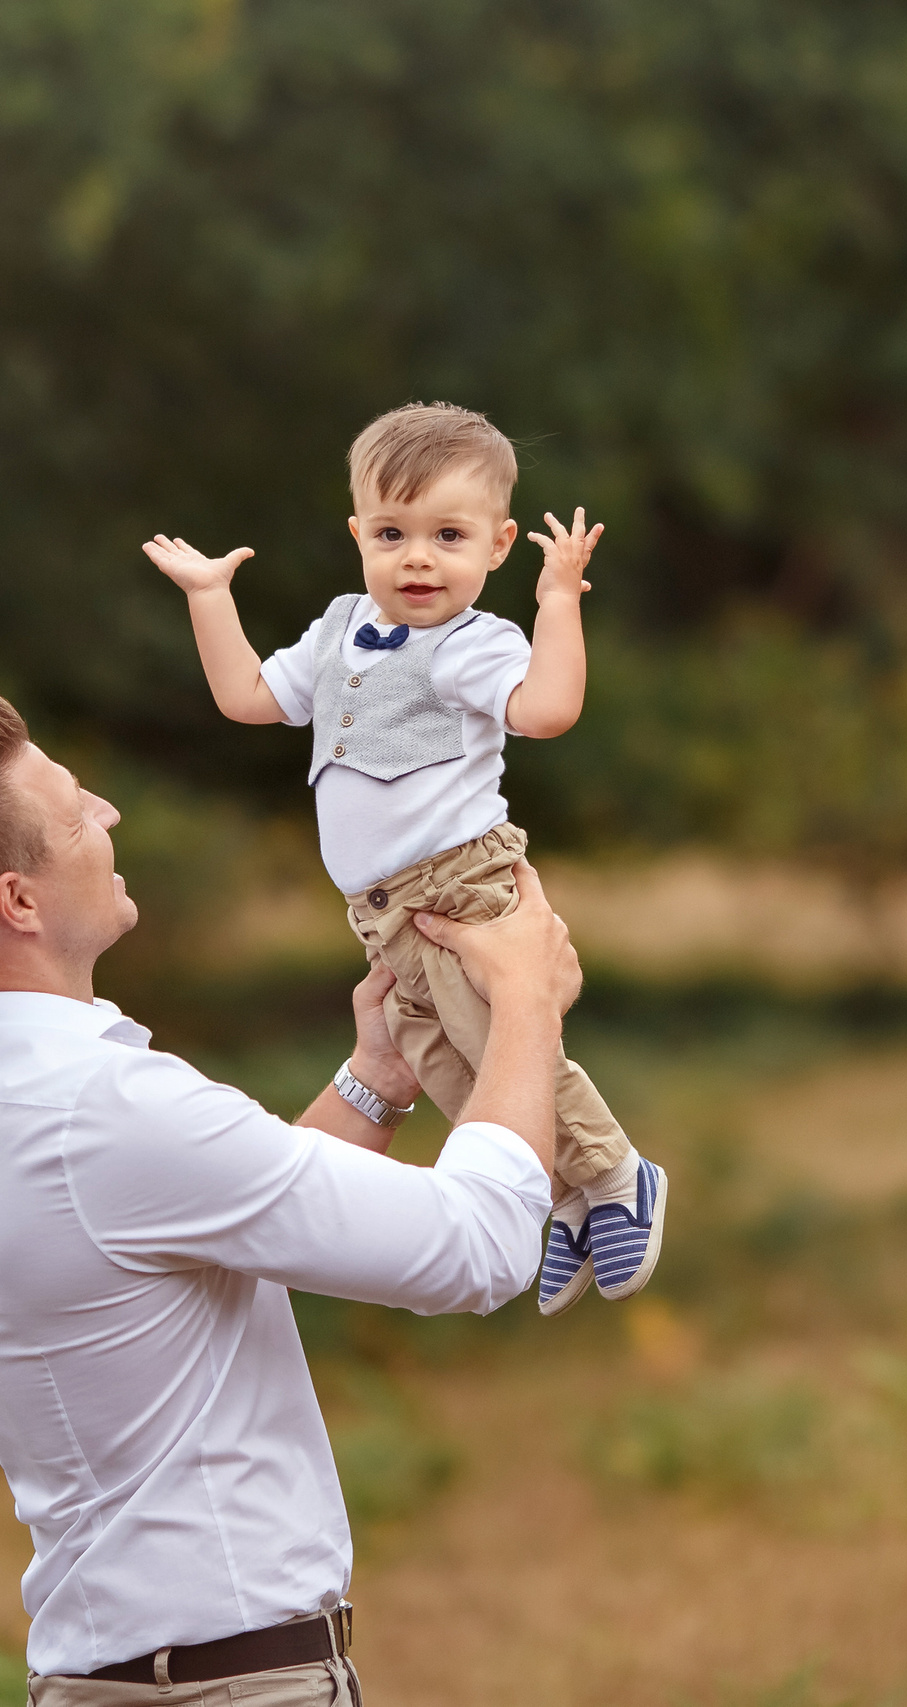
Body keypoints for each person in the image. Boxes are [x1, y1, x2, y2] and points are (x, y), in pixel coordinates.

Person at [0, 687, 580, 1705]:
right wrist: (528, 1000)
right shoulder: (110, 1108)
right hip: (231, 1687)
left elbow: (210, 1233)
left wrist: (376, 1078)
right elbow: (473, 1250)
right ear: (19, 902)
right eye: (73, 808)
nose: (107, 814)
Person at [140, 401, 665, 1314]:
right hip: (383, 913)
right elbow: (249, 697)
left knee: (502, 1035)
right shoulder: (340, 629)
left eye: (447, 535)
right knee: (442, 1059)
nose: (418, 557)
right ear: (357, 535)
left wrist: (557, 603)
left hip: (458, 884)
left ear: (498, 546)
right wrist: (209, 597)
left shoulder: (472, 644)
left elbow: (544, 712)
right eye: (392, 532)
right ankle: (563, 1193)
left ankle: (619, 1173)